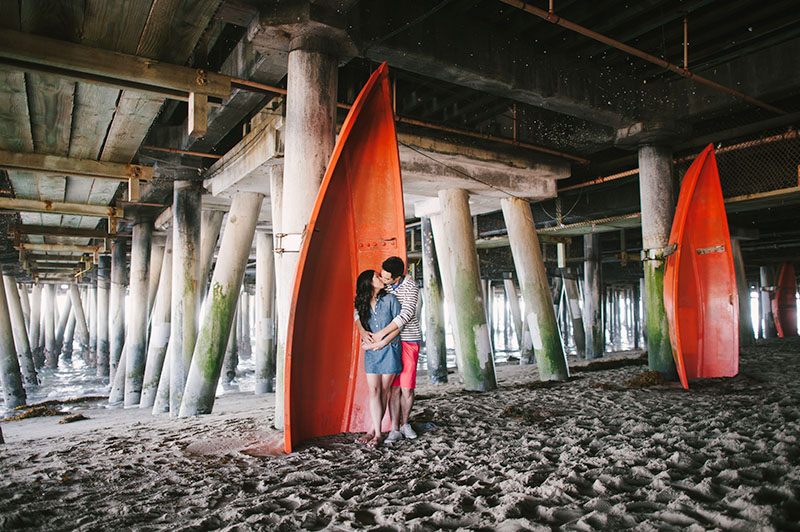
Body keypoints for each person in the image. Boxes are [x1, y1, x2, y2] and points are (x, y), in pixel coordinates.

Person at [361, 256, 422, 444]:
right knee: (392, 389)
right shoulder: (384, 287)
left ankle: (405, 423)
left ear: (398, 277)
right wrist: (364, 331)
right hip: (391, 342)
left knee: (406, 388)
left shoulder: (411, 287)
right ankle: (394, 427)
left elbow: (405, 315)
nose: (384, 280)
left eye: (387, 278)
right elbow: (362, 306)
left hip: (408, 339)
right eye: (382, 276)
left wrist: (380, 338)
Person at [353, 269, 402, 448]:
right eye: (377, 276)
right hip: (372, 353)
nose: (381, 278)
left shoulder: (391, 299)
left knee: (383, 390)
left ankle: (376, 432)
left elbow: (399, 326)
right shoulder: (362, 304)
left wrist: (382, 343)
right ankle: (374, 431)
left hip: (389, 348)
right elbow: (356, 316)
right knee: (374, 391)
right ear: (369, 282)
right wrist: (362, 331)